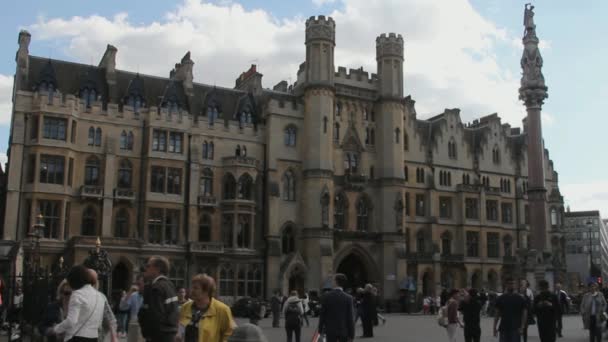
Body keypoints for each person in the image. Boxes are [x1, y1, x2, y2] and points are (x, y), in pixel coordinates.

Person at [45, 265, 109, 342]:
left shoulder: (78, 295)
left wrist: (55, 329)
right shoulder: (100, 296)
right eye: (66, 293)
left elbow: (71, 321)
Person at [177, 274, 234, 342]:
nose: (192, 291)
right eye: (192, 287)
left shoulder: (222, 310)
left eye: (196, 288)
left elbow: (229, 335)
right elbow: (179, 330)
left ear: (206, 291)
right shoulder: (185, 307)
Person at [138, 256, 179, 342]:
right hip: (170, 334)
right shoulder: (169, 285)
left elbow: (155, 316)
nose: (146, 268)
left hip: (159, 336)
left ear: (157, 269)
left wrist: (148, 334)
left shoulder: (156, 288)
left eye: (149, 266)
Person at [317, 273, 355, 342]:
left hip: (330, 331)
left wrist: (320, 332)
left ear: (335, 282)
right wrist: (351, 335)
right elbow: (350, 318)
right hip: (343, 331)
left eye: (333, 280)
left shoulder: (326, 296)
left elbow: (322, 315)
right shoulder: (348, 298)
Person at [493, 277, 527, 342]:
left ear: (516, 285)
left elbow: (524, 314)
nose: (511, 285)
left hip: (516, 328)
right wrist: (494, 327)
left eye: (513, 283)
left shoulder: (520, 299)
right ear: (506, 285)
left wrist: (522, 327)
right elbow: (496, 314)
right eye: (509, 283)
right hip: (503, 327)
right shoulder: (501, 298)